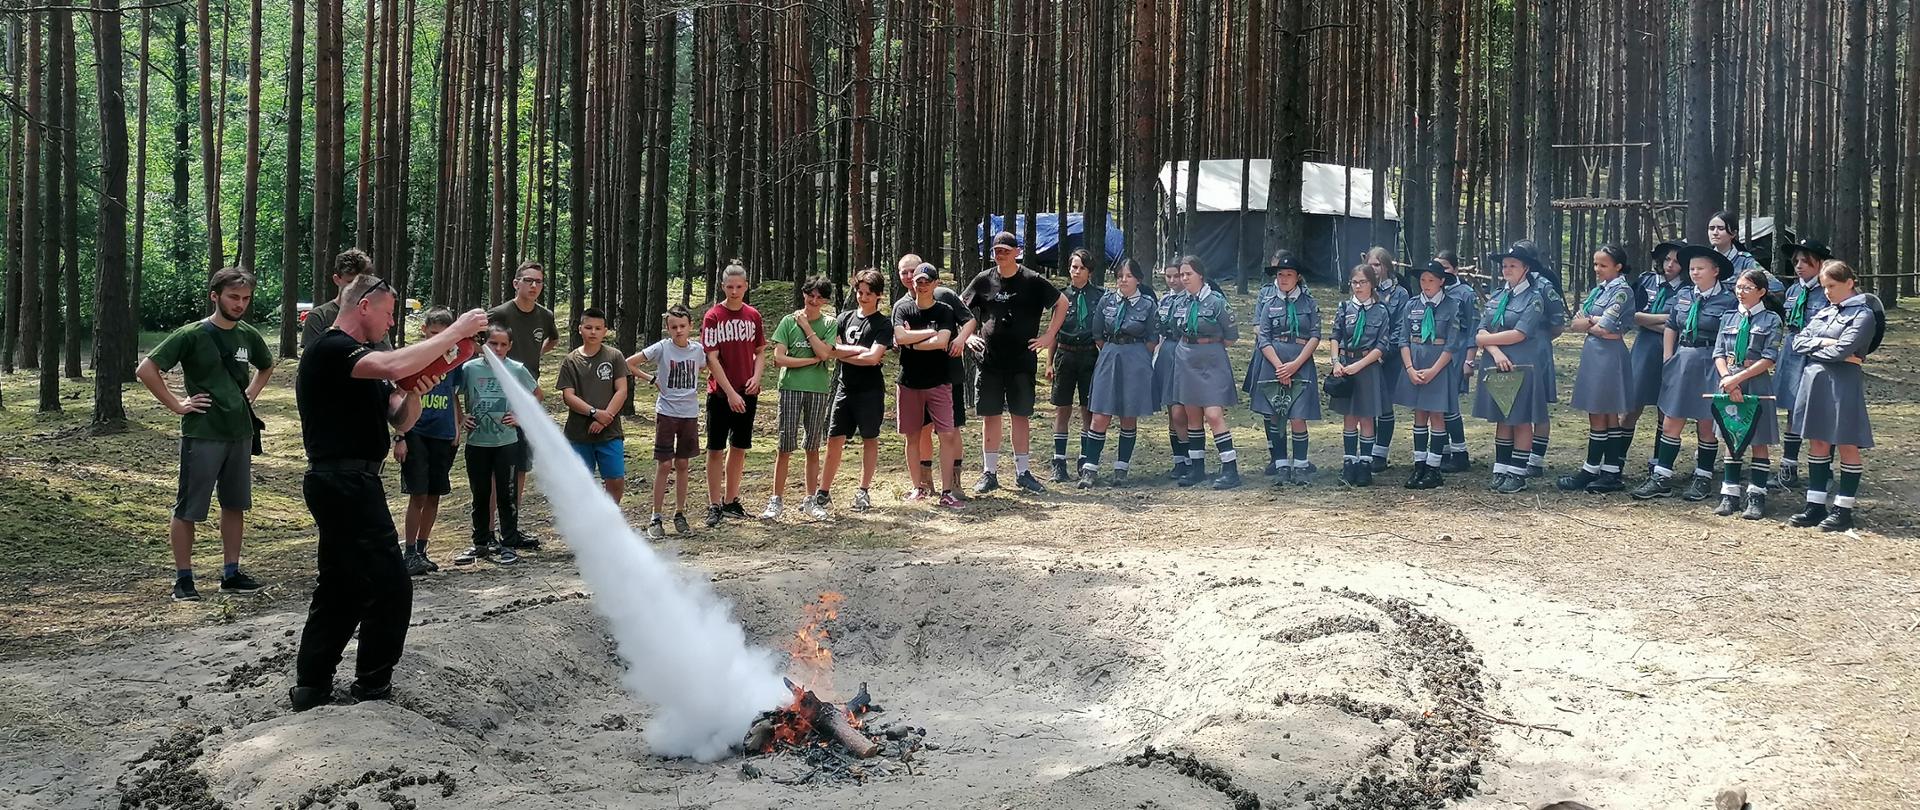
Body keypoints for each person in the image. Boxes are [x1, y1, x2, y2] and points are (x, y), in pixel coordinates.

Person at [289, 275, 489, 712]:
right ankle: (373, 687)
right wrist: (455, 333)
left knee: (341, 586)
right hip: (341, 482)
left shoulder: (366, 358)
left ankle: (312, 686)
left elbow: (400, 418)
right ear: (364, 306)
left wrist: (416, 392)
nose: (392, 321)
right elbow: (392, 367)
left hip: (354, 481)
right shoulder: (332, 348)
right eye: (389, 312)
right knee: (391, 586)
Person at [135, 268, 275, 601]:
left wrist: (252, 392)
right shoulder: (192, 334)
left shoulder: (248, 335)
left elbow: (266, 365)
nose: (240, 304)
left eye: (245, 298)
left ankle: (231, 573)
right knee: (189, 508)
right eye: (233, 297)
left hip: (240, 432)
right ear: (215, 296)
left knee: (235, 504)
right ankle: (184, 579)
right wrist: (177, 405)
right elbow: (146, 369)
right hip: (203, 433)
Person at [957, 231, 1070, 494]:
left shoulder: (1032, 280)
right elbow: (960, 308)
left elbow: (1062, 302)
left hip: (1021, 361)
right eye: (997, 250)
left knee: (1020, 416)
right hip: (989, 361)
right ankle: (990, 473)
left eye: (1005, 250)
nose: (1000, 255)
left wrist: (1049, 335)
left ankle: (1023, 473)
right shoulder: (984, 280)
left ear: (1017, 252)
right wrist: (968, 336)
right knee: (990, 415)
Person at [1631, 244, 1737, 501]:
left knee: (1706, 424)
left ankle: (1703, 477)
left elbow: (1730, 335)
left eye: (1700, 268)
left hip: (1710, 362)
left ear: (1715, 271)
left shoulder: (1728, 299)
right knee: (1671, 420)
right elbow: (1671, 326)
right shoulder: (1685, 295)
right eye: (1692, 268)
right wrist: (1669, 357)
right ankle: (1662, 476)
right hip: (1683, 360)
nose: (1695, 273)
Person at [1786, 261, 1884, 532]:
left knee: (1846, 443)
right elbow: (1797, 342)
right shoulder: (1824, 312)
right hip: (1815, 381)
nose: (1827, 292)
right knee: (1817, 440)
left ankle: (1843, 509)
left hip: (1842, 382)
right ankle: (1815, 505)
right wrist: (1826, 343)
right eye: (1824, 286)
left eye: (1832, 286)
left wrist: (1821, 347)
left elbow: (1842, 351)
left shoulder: (1863, 315)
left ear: (1849, 283)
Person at [810, 268, 895, 514]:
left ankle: (863, 490)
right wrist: (859, 352)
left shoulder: (883, 323)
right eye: (860, 291)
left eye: (869, 293)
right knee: (834, 439)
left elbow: (873, 359)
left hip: (870, 391)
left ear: (879, 295)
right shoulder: (844, 318)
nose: (863, 297)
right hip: (844, 389)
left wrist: (847, 353)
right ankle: (823, 491)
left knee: (870, 439)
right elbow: (831, 350)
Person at [455, 324, 540, 565]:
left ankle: (509, 544)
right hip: (477, 443)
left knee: (507, 495)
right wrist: (461, 418)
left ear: (510, 346)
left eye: (503, 344)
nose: (498, 348)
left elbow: (536, 395)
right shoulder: (470, 368)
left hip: (507, 443)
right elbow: (453, 393)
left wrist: (521, 417)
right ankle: (481, 542)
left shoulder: (517, 369)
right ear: (484, 345)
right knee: (480, 495)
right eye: (493, 343)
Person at [1472, 246, 1554, 494]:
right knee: (1501, 417)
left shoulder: (1534, 297)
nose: (1506, 269)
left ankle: (1518, 472)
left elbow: (1520, 333)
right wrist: (1494, 351)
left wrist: (1485, 341)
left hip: (1521, 364)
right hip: (1496, 363)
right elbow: (1482, 328)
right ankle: (1501, 468)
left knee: (1519, 419)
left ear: (1526, 268)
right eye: (1505, 265)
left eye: (1513, 265)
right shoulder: (1497, 296)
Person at [487, 260, 559, 539]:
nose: (533, 286)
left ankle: (511, 528)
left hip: (528, 394)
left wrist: (535, 355)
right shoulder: (500, 313)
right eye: (528, 280)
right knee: (496, 467)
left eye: (538, 282)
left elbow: (551, 340)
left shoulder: (545, 315)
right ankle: (489, 529)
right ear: (516, 283)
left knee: (520, 465)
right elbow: (482, 344)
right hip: (498, 392)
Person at [1558, 246, 1638, 494]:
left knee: (1607, 412)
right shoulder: (1599, 290)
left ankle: (1610, 471)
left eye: (1603, 265)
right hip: (1594, 352)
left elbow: (1606, 326)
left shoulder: (1622, 291)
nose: (1597, 269)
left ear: (1618, 266)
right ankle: (1593, 469)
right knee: (1597, 413)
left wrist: (1590, 322)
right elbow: (1575, 322)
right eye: (1595, 264)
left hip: (1609, 356)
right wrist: (1594, 322)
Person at [1709, 268, 1787, 519]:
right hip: (1729, 383)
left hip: (1755, 383)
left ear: (1762, 292)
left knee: (1758, 440)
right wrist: (1727, 380)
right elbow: (1718, 353)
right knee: (1730, 439)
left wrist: (1738, 379)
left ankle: (1756, 495)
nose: (1740, 293)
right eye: (1738, 287)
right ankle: (1729, 494)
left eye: (1747, 288)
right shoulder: (1728, 317)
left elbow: (1768, 358)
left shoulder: (1771, 320)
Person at [894, 253, 973, 497]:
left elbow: (969, 321)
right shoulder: (901, 305)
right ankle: (925, 483)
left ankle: (954, 482)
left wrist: (959, 339)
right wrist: (925, 337)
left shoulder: (945, 297)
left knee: (951, 428)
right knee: (922, 430)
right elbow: (899, 338)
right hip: (914, 378)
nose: (910, 277)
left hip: (948, 373)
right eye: (904, 273)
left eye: (912, 271)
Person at [629, 305, 708, 539]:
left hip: (689, 413)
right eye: (674, 327)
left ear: (691, 326)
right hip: (666, 412)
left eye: (683, 326)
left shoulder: (698, 350)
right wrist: (651, 378)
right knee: (664, 464)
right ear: (668, 328)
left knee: (683, 464)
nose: (679, 331)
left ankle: (680, 513)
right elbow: (628, 362)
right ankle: (656, 516)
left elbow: (706, 367)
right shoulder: (662, 348)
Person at [394, 308, 463, 576]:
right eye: (434, 333)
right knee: (418, 493)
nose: (438, 339)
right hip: (416, 433)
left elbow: (454, 394)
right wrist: (400, 436)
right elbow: (399, 395)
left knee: (435, 494)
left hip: (443, 435)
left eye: (444, 335)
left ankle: (423, 550)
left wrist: (457, 425)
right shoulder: (414, 357)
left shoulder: (454, 360)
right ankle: (409, 551)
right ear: (424, 330)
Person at [1080, 258, 1160, 488]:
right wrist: (1112, 352)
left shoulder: (1147, 304)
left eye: (1128, 276)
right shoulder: (1106, 301)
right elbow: (1097, 333)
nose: (1123, 280)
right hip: (1109, 357)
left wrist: (1136, 356)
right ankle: (1090, 469)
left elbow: (1153, 338)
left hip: (1135, 359)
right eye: (1119, 276)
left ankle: (1121, 469)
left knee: (1128, 414)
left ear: (1138, 280)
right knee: (1100, 415)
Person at [1167, 255, 1244, 489]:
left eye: (1188, 274)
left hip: (1211, 359)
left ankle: (1230, 470)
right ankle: (1197, 468)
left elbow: (1231, 335)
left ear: (1201, 274)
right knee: (1192, 415)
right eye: (1182, 274)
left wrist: (1209, 347)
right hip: (1186, 357)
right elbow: (1173, 328)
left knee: (1213, 414)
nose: (1184, 278)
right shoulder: (1180, 302)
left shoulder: (1217, 301)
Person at [762, 278, 837, 519]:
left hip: (817, 389)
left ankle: (810, 499)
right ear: (803, 294)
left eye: (819, 297)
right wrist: (809, 361)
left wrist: (807, 327)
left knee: (812, 445)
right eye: (810, 295)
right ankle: (776, 500)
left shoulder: (829, 323)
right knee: (785, 446)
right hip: (790, 387)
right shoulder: (787, 322)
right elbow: (779, 359)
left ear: (825, 300)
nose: (814, 301)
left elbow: (825, 353)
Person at [1245, 252, 1322, 485]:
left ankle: (1300, 466)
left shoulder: (1309, 304)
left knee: (1298, 416)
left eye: (1288, 275)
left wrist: (1295, 364)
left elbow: (1315, 335)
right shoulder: (1270, 304)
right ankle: (1280, 466)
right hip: (1274, 364)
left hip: (1300, 362)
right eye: (1280, 275)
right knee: (1275, 416)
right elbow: (1263, 338)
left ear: (1298, 277)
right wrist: (1280, 367)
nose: (1283, 279)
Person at [701, 262, 767, 525]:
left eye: (739, 287)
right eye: (730, 287)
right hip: (720, 393)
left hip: (747, 390)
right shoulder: (713, 316)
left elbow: (760, 351)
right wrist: (729, 392)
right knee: (716, 448)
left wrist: (756, 377)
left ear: (746, 286)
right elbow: (712, 358)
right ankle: (714, 503)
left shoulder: (753, 315)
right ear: (722, 287)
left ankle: (731, 500)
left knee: (739, 447)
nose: (735, 291)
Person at [1394, 260, 1469, 489]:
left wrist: (1435, 370)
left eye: (1431, 281)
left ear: (1441, 282)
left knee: (1437, 415)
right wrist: (1409, 369)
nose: (1426, 285)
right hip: (1415, 363)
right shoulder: (1412, 305)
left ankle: (1434, 467)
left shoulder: (1452, 305)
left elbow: (1453, 344)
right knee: (1419, 415)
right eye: (1423, 280)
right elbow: (1403, 339)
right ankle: (1419, 465)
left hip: (1438, 365)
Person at [1775, 238, 1834, 489]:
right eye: (1796, 261)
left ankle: (1824, 470)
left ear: (1820, 264)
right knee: (1792, 408)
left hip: (1817, 355)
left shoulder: (1828, 290)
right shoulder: (1793, 291)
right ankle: (1788, 467)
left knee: (1819, 410)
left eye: (1805, 261)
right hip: (1792, 352)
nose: (1799, 266)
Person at [1624, 241, 1687, 473]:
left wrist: (1648, 319)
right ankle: (1616, 461)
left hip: (1672, 351)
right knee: (1632, 406)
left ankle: (1659, 463)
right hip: (1644, 349)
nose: (1671, 265)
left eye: (1677, 261)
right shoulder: (1646, 280)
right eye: (1667, 259)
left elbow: (1681, 326)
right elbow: (1630, 314)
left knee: (1665, 408)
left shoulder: (1687, 289)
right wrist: (1664, 320)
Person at [557, 307, 631, 503]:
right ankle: (587, 521)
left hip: (610, 432)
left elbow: (622, 390)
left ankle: (611, 518)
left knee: (615, 479)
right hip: (578, 433)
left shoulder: (614, 356)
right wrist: (594, 413)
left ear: (605, 330)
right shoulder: (570, 361)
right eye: (588, 327)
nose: (593, 332)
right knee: (581, 481)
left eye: (598, 328)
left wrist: (605, 418)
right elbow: (568, 396)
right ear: (579, 328)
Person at [1330, 264, 1391, 487]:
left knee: (1366, 416)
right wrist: (1336, 361)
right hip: (1345, 365)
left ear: (1372, 284)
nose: (1358, 287)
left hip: (1368, 367)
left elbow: (1382, 344)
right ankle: (1349, 462)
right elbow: (1335, 335)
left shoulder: (1381, 310)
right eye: (1354, 282)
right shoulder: (1345, 308)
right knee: (1349, 416)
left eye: (1363, 282)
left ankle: (1365, 463)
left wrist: (1361, 365)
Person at [1048, 249, 1105, 482]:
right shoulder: (1061, 297)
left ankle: (1084, 458)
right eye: (1073, 267)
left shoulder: (1099, 297)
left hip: (1089, 356)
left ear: (1089, 271)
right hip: (1065, 354)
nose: (1076, 271)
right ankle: (1059, 462)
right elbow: (1053, 331)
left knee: (1087, 409)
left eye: (1081, 267)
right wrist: (1050, 362)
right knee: (1063, 409)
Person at [1363, 247, 1409, 472]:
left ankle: (1380, 453)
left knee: (1385, 405)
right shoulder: (1364, 289)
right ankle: (1366, 452)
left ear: (1387, 267)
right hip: (1364, 358)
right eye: (1370, 264)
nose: (1373, 269)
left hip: (1388, 357)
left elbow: (1400, 327)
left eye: (1377, 265)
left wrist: (1383, 354)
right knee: (1367, 404)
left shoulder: (1400, 293)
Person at [1435, 250, 1479, 472]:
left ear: (1454, 269)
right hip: (1436, 355)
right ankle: (1442, 451)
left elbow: (1473, 328)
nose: (1441, 271)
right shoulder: (1434, 291)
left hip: (1458, 354)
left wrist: (1469, 360)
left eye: (1445, 266)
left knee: (1450, 404)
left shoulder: (1466, 293)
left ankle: (1460, 453)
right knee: (1438, 404)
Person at [1153, 261, 1192, 482]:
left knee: (1183, 411)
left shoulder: (1192, 299)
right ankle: (1179, 460)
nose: (1172, 281)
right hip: (1167, 353)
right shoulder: (1165, 300)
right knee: (1172, 411)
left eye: (1176, 276)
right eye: (1168, 277)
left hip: (1185, 350)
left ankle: (1192, 457)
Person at [301, 248, 383, 354]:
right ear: (337, 279)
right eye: (350, 282)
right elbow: (312, 361)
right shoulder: (319, 317)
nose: (357, 288)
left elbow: (385, 356)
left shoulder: (373, 316)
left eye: (363, 283)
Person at [1705, 210, 1781, 293]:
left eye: (1721, 228)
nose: (1715, 233)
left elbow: (1776, 286)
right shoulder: (1703, 260)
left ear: (1733, 233)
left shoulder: (1745, 262)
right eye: (1711, 228)